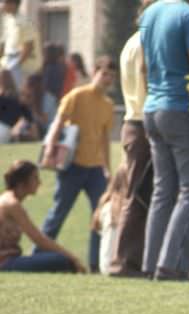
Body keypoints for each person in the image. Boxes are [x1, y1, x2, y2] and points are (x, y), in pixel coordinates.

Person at [139, 0, 189, 281]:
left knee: (163, 191)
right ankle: (171, 265)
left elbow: (144, 69)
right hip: (180, 110)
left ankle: (151, 263)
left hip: (152, 109)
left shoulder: (149, 14)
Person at [38, 56, 116, 272]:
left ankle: (96, 263)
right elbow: (58, 123)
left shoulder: (108, 106)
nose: (107, 79)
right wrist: (49, 150)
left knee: (99, 216)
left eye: (111, 76)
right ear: (94, 72)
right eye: (104, 74)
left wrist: (107, 168)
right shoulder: (77, 96)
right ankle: (38, 255)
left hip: (95, 170)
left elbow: (104, 139)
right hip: (72, 167)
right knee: (59, 211)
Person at [109, 8, 153, 278]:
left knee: (139, 194)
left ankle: (132, 260)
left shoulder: (131, 41)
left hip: (133, 121)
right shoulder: (146, 43)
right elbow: (147, 81)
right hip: (143, 121)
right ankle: (124, 262)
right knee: (137, 196)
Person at [0, 159, 84, 271]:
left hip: (10, 260)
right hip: (5, 262)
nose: (39, 182)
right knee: (62, 260)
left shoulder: (8, 199)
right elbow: (39, 239)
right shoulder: (12, 204)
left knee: (59, 259)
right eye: (35, 178)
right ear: (22, 182)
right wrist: (73, 257)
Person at [0, 0, 41, 89]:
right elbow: (4, 44)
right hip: (9, 62)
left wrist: (15, 66)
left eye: (5, 2)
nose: (2, 5)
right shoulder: (9, 20)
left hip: (22, 67)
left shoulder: (24, 22)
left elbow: (29, 47)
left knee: (18, 95)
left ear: (13, 4)